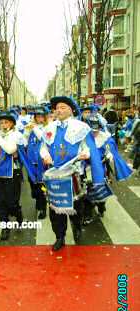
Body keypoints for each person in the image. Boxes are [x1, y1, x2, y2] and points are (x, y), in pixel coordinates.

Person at [39, 96, 105, 251]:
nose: (59, 110)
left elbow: (87, 147)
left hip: (74, 172)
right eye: (57, 108)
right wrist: (45, 155)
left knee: (76, 207)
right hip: (55, 173)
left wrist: (86, 154)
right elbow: (43, 147)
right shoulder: (49, 128)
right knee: (55, 209)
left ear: (71, 110)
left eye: (63, 107)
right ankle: (59, 237)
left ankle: (77, 228)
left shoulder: (81, 127)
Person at [0, 111, 24, 241]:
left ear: (12, 123)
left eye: (6, 122)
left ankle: (18, 214)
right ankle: (5, 226)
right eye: (1, 123)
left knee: (12, 202)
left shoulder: (17, 135)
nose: (3, 124)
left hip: (12, 172)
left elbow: (10, 150)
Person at [24, 106, 48, 219]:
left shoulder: (48, 128)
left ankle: (42, 207)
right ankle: (38, 199)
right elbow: (24, 141)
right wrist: (27, 131)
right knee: (33, 185)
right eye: (37, 116)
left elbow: (43, 137)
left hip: (42, 163)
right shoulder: (31, 127)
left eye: (41, 116)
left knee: (42, 186)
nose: (39, 118)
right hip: (31, 162)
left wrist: (34, 128)